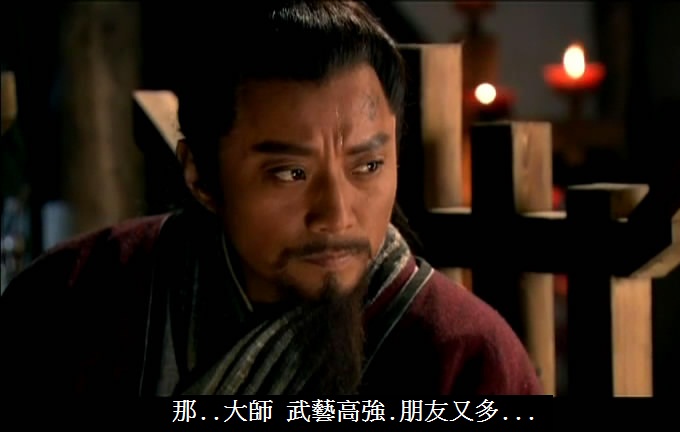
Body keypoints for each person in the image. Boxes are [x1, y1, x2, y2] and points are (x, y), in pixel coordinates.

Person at [0, 0, 542, 396]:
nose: (337, 215)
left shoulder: (463, 358)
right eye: (290, 173)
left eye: (368, 166)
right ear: (199, 174)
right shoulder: (71, 302)